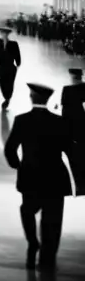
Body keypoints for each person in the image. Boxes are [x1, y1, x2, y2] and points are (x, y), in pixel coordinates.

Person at [3, 83, 73, 270]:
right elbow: (70, 150)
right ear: (48, 100)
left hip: (30, 175)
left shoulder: (22, 120)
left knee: (28, 209)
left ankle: (33, 240)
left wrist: (18, 166)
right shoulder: (60, 122)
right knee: (53, 220)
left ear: (31, 98)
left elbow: (10, 149)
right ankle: (48, 260)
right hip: (55, 178)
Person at [60, 67, 85, 196]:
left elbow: (65, 113)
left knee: (75, 159)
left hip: (73, 130)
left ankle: (80, 185)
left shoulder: (67, 90)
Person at [0, 26, 22, 108]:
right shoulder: (14, 44)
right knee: (9, 84)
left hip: (0, 68)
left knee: (3, 84)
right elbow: (17, 56)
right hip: (10, 68)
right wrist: (18, 64)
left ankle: (6, 98)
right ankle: (7, 98)